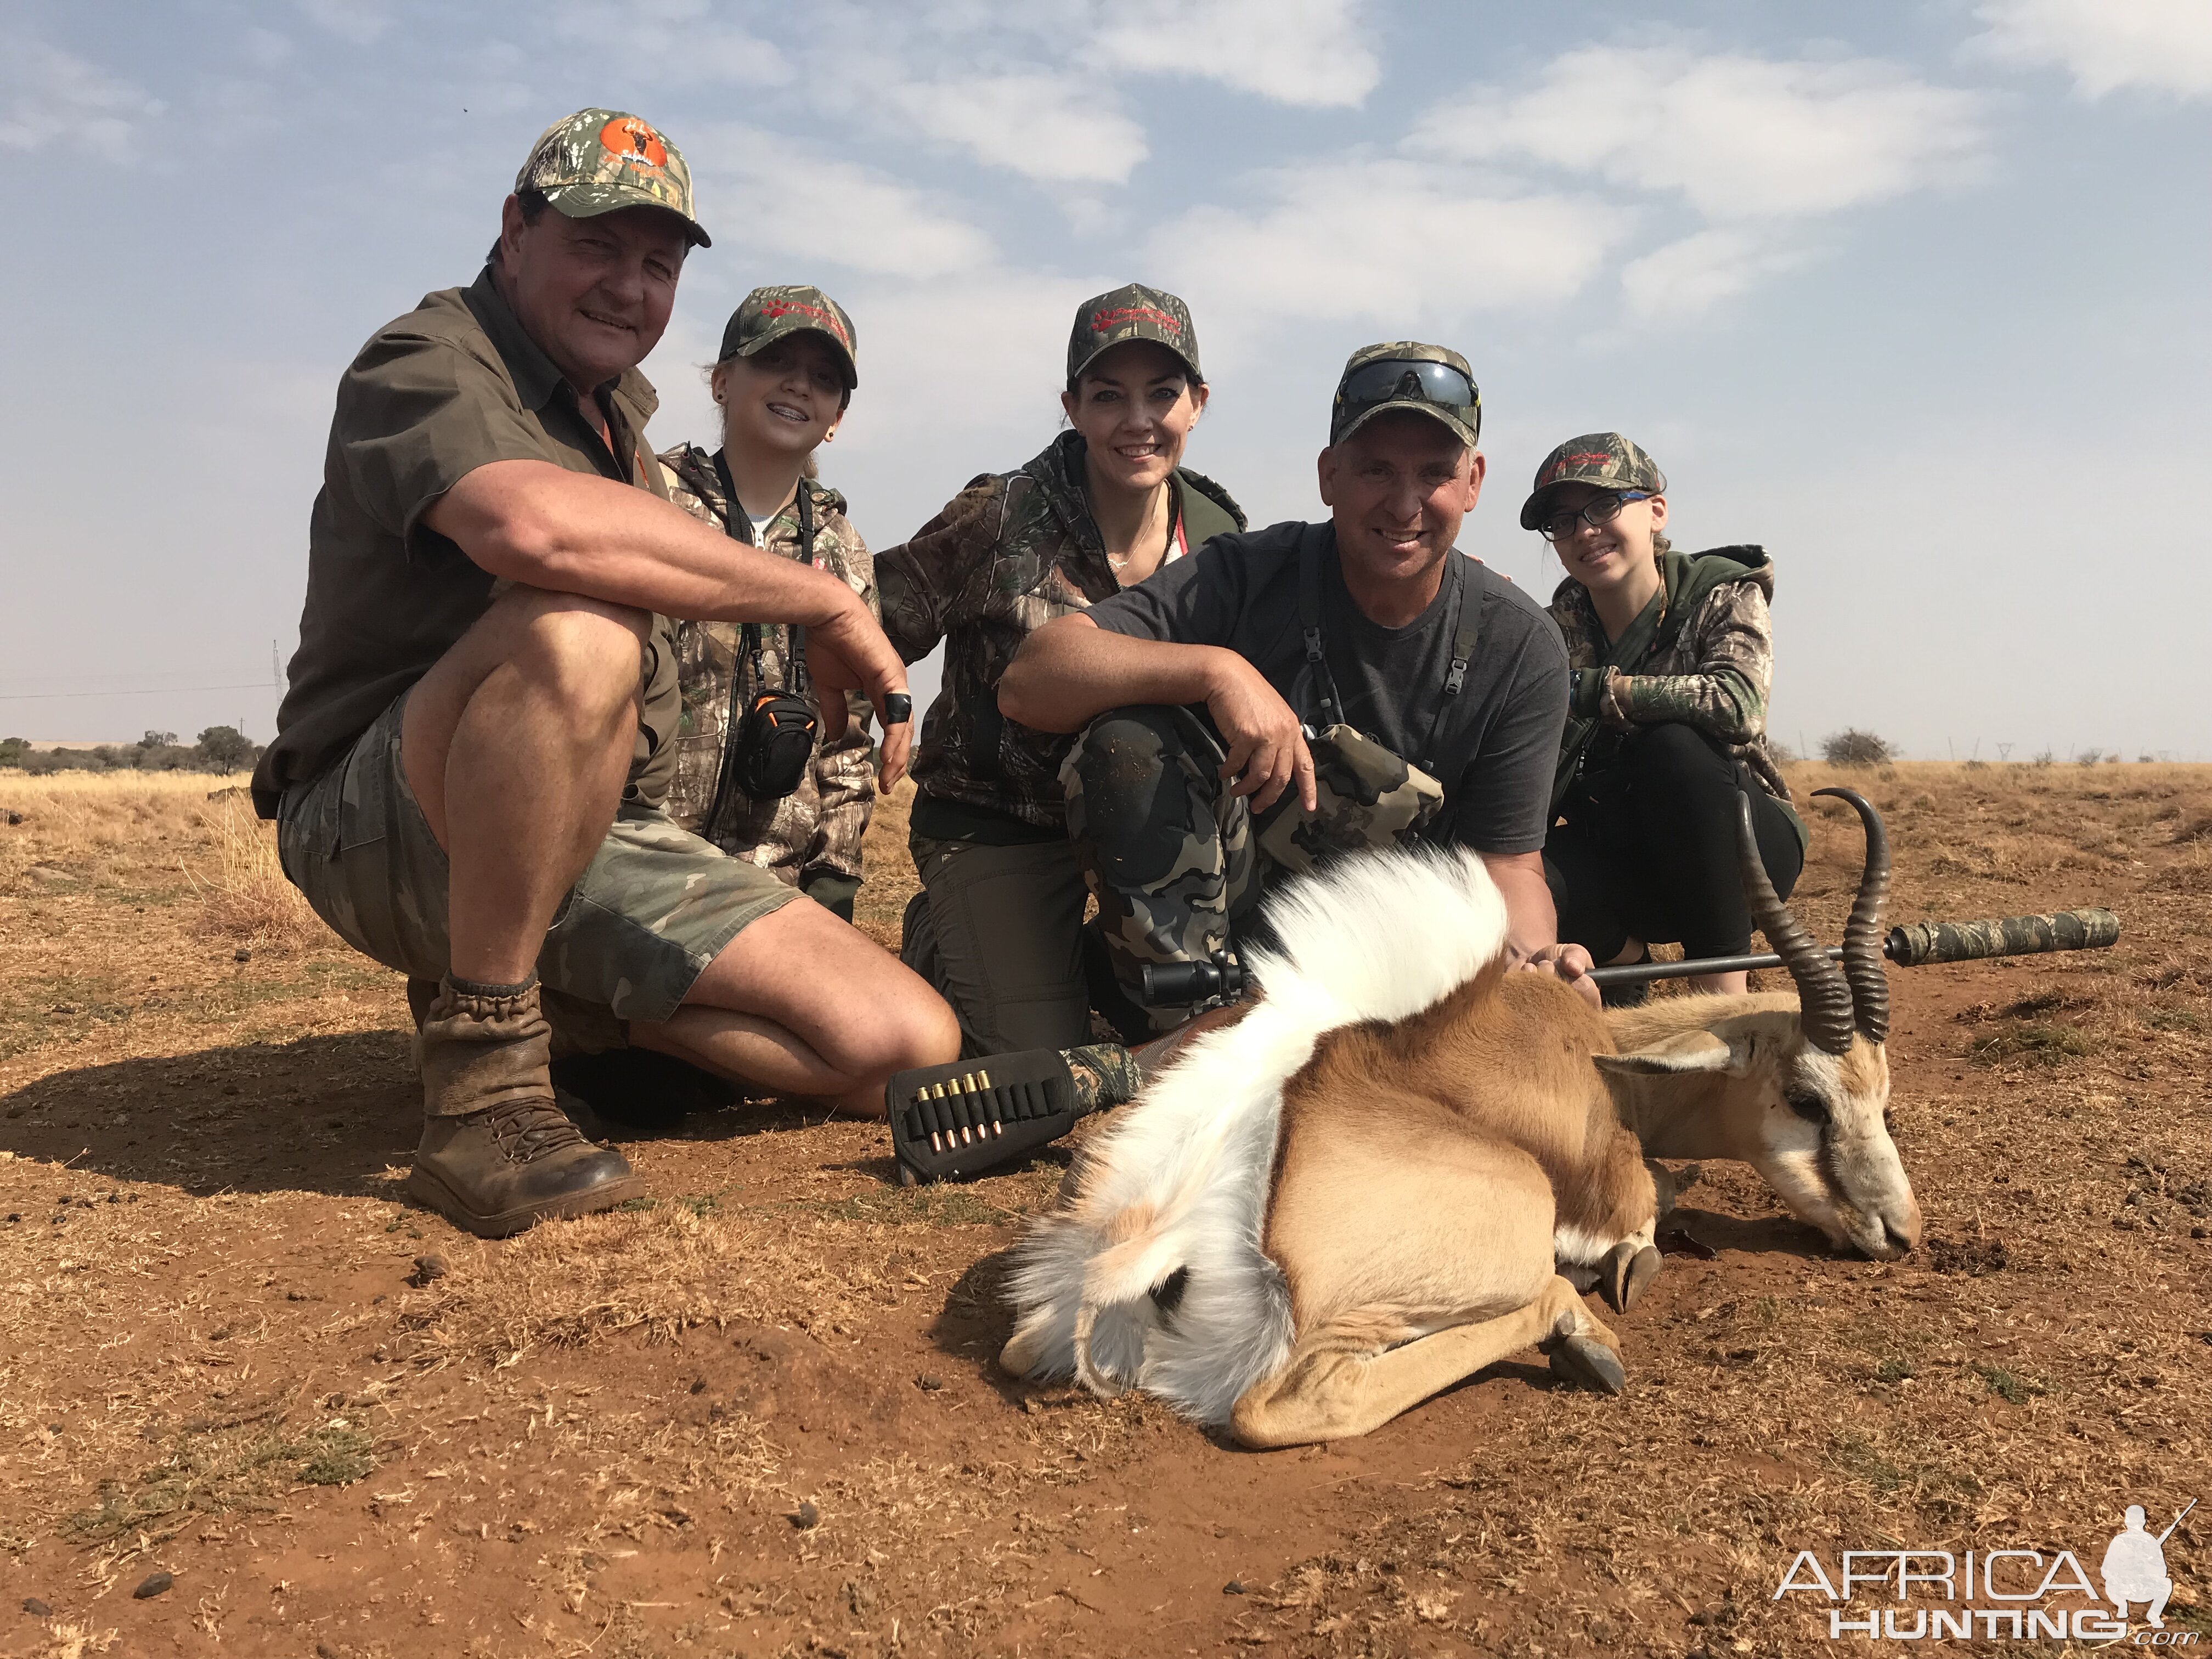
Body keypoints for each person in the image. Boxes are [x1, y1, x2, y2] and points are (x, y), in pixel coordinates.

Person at [252, 109, 958, 1238]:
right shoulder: (425, 358)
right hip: (382, 814)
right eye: (597, 246)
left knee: (901, 1047)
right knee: (578, 626)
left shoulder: (621, 418)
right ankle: (484, 1085)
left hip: (592, 821)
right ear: (515, 232)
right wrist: (824, 600)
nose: (630, 287)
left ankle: (572, 1007)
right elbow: (533, 532)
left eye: (659, 264)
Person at [998, 341, 1591, 1032]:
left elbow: (1509, 866)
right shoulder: (1247, 575)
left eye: (1434, 473)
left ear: (1474, 481)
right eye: (1375, 469)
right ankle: (1184, 1030)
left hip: (1389, 961)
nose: (1405, 505)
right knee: (1128, 742)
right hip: (1228, 932)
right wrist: (1218, 670)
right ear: (1329, 474)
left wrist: (1530, 966)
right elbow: (1029, 681)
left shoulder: (1522, 646)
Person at [877, 283, 1246, 1054]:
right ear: (1072, 406)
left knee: (1210, 1026)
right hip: (1001, 821)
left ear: (1199, 403)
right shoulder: (1001, 514)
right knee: (1030, 1060)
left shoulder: (1220, 534)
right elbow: (874, 615)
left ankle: (1097, 959)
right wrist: (883, 710)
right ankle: (946, 941)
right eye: (1109, 396)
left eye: (1163, 394)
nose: (1138, 422)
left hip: (1150, 824)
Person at [1528, 433, 1805, 1000]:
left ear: (1656, 510)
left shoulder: (1724, 592)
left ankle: (1724, 1001)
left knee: (1672, 749)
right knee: (1524, 877)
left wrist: (1593, 692)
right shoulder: (1547, 631)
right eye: (1561, 521)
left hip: (1743, 850)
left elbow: (1737, 704)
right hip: (1628, 854)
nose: (1583, 531)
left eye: (1604, 506)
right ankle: (1622, 964)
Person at [659, 286, 877, 923]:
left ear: (837, 417)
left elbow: (848, 744)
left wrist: (832, 887)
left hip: (769, 884)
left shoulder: (844, 549)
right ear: (722, 380)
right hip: (640, 859)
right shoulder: (653, 497)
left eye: (825, 377)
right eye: (775, 361)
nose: (800, 386)